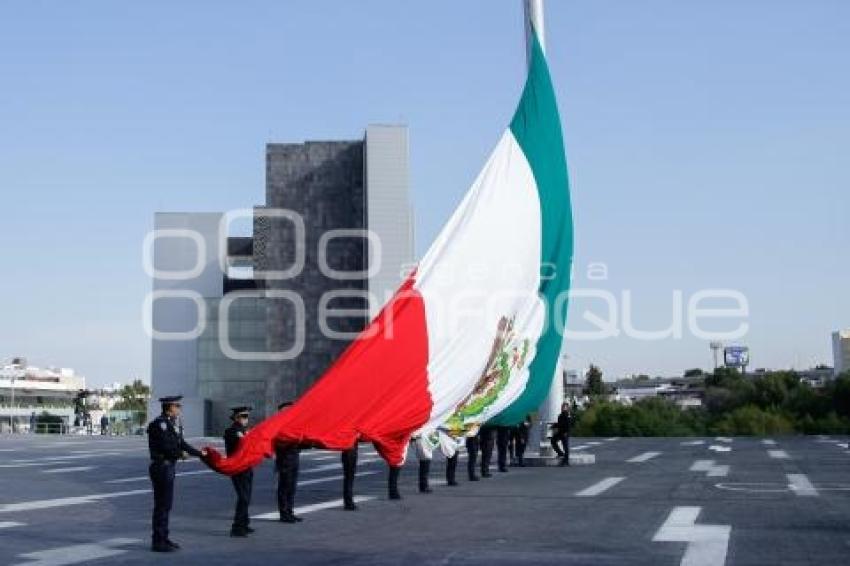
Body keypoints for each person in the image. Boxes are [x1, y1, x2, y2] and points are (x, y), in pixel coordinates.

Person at [147, 395, 206, 552]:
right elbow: (166, 446)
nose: (180, 409)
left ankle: (164, 538)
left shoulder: (172, 424)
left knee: (166, 505)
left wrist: (199, 453)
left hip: (168, 467)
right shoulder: (160, 424)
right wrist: (180, 454)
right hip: (161, 467)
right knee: (162, 505)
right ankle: (158, 541)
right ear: (170, 407)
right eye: (177, 406)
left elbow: (182, 443)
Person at [224, 406, 254, 537]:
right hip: (238, 468)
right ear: (236, 418)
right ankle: (236, 527)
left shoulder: (245, 430)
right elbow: (242, 444)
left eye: (247, 416)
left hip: (246, 467)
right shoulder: (232, 431)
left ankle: (244, 524)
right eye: (244, 416)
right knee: (243, 497)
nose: (246, 419)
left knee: (247, 497)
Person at [274, 401, 302, 523]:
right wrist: (291, 441)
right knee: (284, 487)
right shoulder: (278, 426)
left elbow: (300, 444)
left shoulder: (292, 426)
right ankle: (284, 513)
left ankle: (290, 512)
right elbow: (278, 444)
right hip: (284, 460)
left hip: (294, 459)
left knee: (292, 487)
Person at [341, 441, 359, 510]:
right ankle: (349, 502)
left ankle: (348, 502)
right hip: (351, 454)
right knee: (349, 479)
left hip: (346, 454)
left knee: (347, 478)